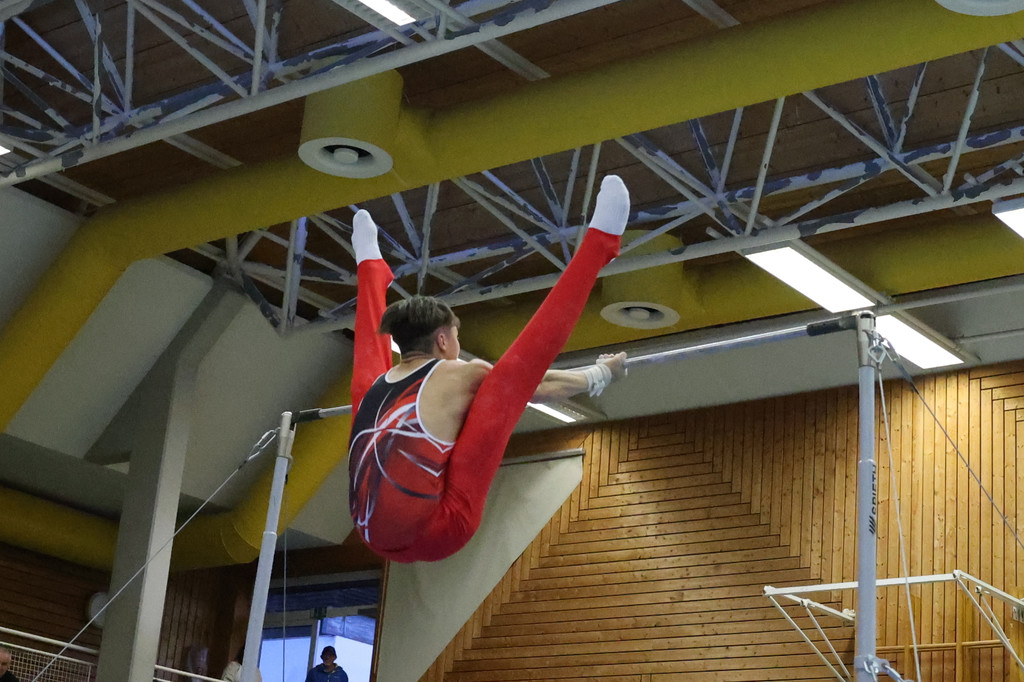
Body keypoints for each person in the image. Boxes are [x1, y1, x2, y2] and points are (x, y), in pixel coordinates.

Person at [348, 175, 630, 563]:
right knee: (505, 383)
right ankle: (598, 246)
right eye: (456, 336)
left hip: (370, 533)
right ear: (442, 340)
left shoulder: (375, 387)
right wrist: (602, 374)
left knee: (365, 382)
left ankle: (370, 267)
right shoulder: (460, 374)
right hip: (442, 530)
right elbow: (536, 385)